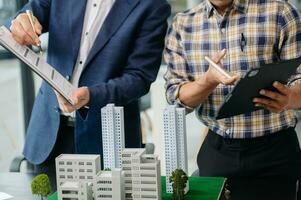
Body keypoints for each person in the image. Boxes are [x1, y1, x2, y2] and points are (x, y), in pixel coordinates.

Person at [7, 0, 171, 189]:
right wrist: (20, 23)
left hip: (108, 142)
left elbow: (139, 78)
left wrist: (92, 95)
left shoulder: (152, 5)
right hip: (49, 135)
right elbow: (24, 15)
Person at [164, 0, 301, 199]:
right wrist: (208, 81)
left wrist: (289, 99)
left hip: (275, 152)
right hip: (218, 150)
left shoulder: (281, 12)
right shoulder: (183, 24)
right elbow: (176, 97)